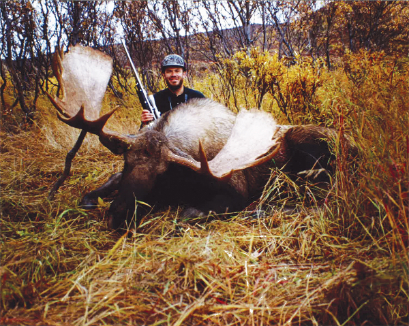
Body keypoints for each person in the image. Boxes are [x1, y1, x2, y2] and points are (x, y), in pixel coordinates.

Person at [141, 54, 205, 124]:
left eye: (177, 71)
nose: (173, 74)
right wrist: (145, 123)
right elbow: (145, 132)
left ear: (184, 74)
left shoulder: (198, 98)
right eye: (169, 71)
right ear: (163, 75)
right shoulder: (155, 100)